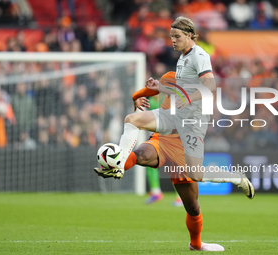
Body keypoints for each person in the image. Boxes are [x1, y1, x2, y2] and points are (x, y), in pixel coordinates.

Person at [95, 16, 254, 251]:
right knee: (133, 126)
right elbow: (152, 88)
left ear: (190, 35)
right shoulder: (178, 66)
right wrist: (136, 98)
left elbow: (209, 87)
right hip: (165, 133)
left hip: (188, 129)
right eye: (171, 37)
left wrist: (179, 95)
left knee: (193, 201)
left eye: (177, 37)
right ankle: (117, 163)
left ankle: (231, 186)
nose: (172, 41)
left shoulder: (199, 56)